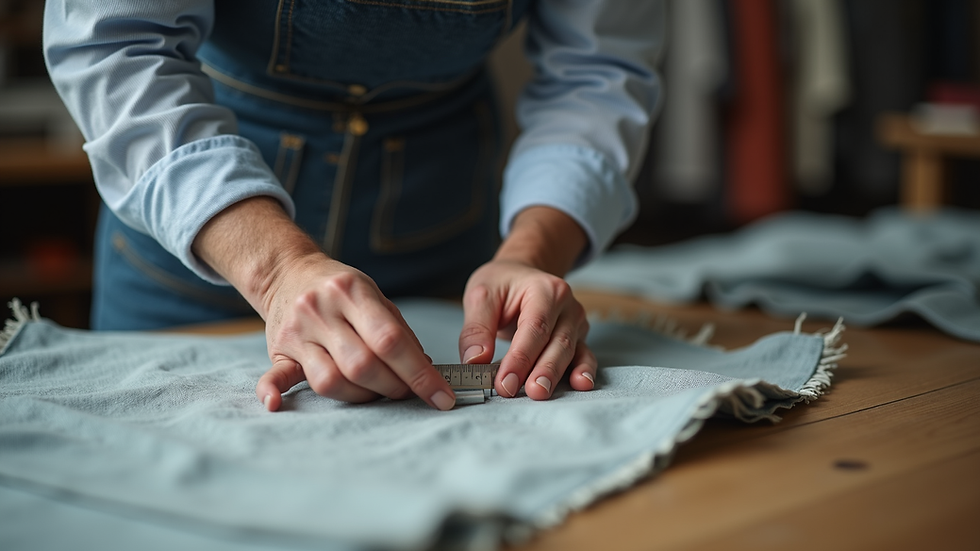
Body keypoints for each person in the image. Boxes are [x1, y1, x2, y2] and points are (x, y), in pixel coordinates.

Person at [43, 0, 664, 411]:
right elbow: (113, 46)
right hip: (197, 227)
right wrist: (276, 270)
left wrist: (530, 253)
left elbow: (598, 71)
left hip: (439, 217)